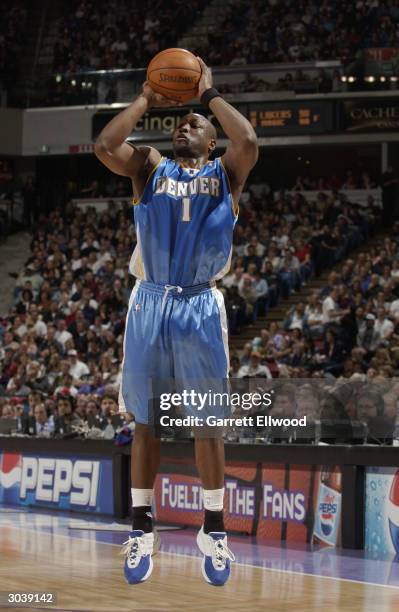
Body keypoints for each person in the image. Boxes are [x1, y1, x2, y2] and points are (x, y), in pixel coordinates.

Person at [95, 57, 258, 586]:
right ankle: (142, 526)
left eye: (195, 125)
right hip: (150, 301)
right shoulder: (148, 167)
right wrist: (145, 97)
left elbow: (250, 139)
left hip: (200, 305)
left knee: (206, 425)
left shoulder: (225, 174)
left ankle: (214, 529)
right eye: (178, 123)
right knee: (146, 421)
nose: (183, 126)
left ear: (211, 141)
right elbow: (104, 147)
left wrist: (208, 95)